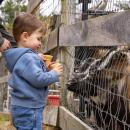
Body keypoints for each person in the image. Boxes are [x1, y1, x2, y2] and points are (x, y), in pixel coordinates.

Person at [3, 12, 63, 130]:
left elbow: (30, 77)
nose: (40, 43)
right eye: (38, 38)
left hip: (21, 107)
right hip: (30, 109)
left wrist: (44, 67)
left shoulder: (20, 57)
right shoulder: (28, 58)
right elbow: (38, 79)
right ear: (25, 36)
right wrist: (54, 73)